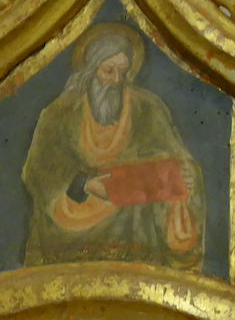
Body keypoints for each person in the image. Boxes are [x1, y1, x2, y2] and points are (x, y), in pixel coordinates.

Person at [22, 22, 203, 269]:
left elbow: (177, 157)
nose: (116, 80)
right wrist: (84, 185)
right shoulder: (60, 113)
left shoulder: (147, 108)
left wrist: (187, 175)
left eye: (123, 72)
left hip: (134, 223)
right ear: (91, 69)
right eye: (108, 71)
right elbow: (38, 170)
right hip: (73, 215)